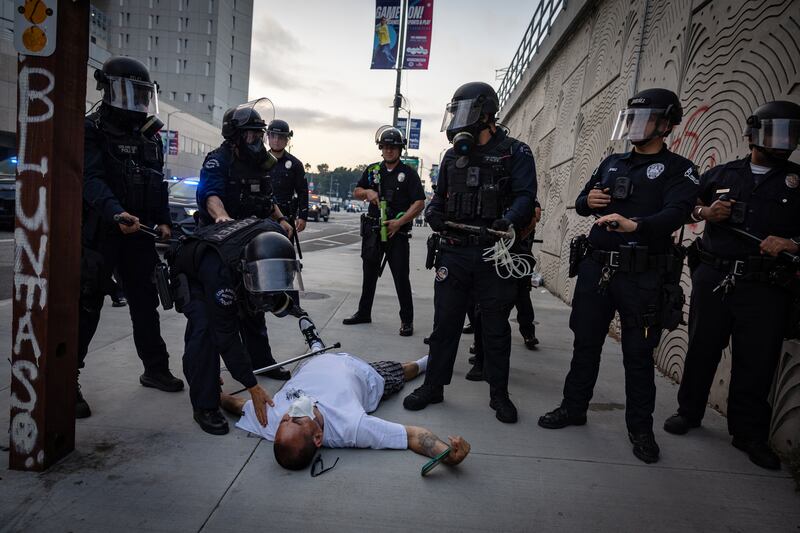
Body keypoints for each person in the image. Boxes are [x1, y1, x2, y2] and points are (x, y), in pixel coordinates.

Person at [538, 88, 699, 464]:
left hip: (642, 275)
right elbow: (582, 202)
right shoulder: (613, 162)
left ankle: (640, 430)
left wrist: (636, 225)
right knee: (585, 343)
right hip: (597, 268)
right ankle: (574, 407)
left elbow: (676, 213)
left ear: (666, 125)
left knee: (638, 354)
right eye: (633, 119)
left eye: (645, 119)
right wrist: (588, 201)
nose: (635, 126)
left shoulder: (679, 169)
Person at [663, 100, 800, 470]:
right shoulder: (722, 174)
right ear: (753, 134)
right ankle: (688, 412)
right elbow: (687, 206)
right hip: (715, 275)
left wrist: (791, 243)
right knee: (702, 347)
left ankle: (749, 434)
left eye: (791, 134)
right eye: (776, 133)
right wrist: (706, 212)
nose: (783, 142)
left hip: (767, 284)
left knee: (757, 360)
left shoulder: (797, 181)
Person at [402, 81, 537, 423]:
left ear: (486, 115)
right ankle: (433, 387)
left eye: (466, 113)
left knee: (495, 328)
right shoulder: (452, 156)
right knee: (444, 325)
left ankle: (499, 395)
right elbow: (440, 198)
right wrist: (434, 212)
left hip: (494, 254)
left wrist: (508, 220)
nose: (460, 120)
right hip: (454, 253)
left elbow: (526, 197)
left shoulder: (516, 153)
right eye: (456, 113)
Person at [78, 56, 183, 418]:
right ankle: (67, 378)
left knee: (145, 304)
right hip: (103, 231)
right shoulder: (92, 129)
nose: (136, 102)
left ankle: (155, 369)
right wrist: (115, 213)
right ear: (108, 90)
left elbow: (157, 183)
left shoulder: (148, 134)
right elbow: (90, 179)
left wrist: (164, 221)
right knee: (87, 305)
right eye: (128, 93)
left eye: (141, 94)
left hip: (139, 234)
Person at [168, 217, 326, 435]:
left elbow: (275, 289)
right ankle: (205, 405)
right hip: (193, 270)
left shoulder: (275, 236)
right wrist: (251, 385)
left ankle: (207, 370)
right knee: (205, 329)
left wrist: (293, 309)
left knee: (251, 308)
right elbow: (226, 335)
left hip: (234, 264)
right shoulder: (220, 273)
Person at [220, 352, 471, 472]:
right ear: (318, 437)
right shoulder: (351, 427)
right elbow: (413, 435)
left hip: (316, 361)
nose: (289, 414)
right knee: (402, 371)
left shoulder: (271, 421)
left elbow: (236, 404)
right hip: (366, 375)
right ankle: (426, 361)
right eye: (297, 421)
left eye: (286, 419)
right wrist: (448, 455)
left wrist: (211, 389)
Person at [197, 100, 296, 380]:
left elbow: (266, 198)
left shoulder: (259, 162)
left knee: (254, 303)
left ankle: (262, 361)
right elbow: (210, 195)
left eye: (258, 134)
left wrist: (281, 219)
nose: (256, 140)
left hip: (250, 240)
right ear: (236, 136)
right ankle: (209, 370)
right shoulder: (219, 160)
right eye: (251, 134)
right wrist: (222, 218)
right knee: (220, 308)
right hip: (221, 242)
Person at [342, 127, 425, 336]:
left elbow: (419, 203)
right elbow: (356, 191)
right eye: (385, 147)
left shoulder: (408, 174)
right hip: (373, 231)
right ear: (381, 148)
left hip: (397, 233)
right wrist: (368, 192)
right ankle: (364, 313)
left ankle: (407, 320)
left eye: (393, 147)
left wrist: (400, 222)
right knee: (368, 275)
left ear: (400, 149)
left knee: (401, 277)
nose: (389, 150)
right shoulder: (372, 171)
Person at [265, 119, 309, 235]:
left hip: (286, 215)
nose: (276, 140)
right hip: (264, 214)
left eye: (280, 137)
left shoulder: (295, 164)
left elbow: (302, 191)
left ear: (286, 140)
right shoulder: (260, 161)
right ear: (268, 137)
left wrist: (303, 216)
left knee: (284, 245)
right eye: (273, 136)